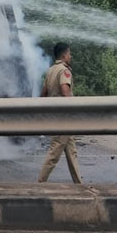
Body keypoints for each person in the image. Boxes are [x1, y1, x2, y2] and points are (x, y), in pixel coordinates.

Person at [37, 42, 82, 184]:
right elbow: (65, 89)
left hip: (55, 114)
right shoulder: (64, 70)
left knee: (71, 150)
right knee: (55, 150)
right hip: (64, 116)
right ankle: (40, 181)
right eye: (69, 53)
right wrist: (72, 107)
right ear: (64, 55)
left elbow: (43, 92)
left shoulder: (51, 70)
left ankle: (78, 183)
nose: (71, 56)